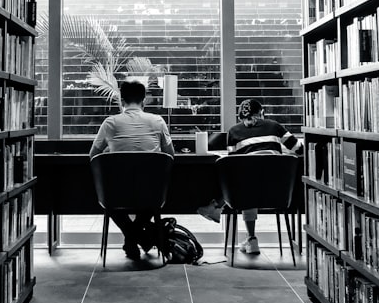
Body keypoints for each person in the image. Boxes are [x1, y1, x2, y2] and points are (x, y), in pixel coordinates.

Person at [197, 99, 302, 254]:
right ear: (262, 113)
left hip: (247, 194)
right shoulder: (275, 126)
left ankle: (244, 231)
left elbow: (234, 163)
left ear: (240, 117)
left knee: (245, 178)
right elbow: (299, 149)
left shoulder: (233, 132)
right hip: (279, 193)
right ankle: (217, 209)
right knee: (251, 178)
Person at [89, 79, 175, 260]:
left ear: (122, 100)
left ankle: (132, 238)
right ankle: (137, 237)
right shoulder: (157, 121)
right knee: (154, 196)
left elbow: (93, 155)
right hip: (151, 192)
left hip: (116, 193)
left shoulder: (110, 123)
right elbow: (170, 155)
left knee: (109, 200)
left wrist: (111, 153)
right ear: (144, 100)